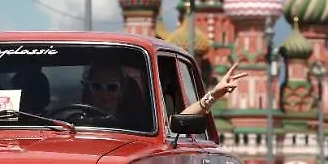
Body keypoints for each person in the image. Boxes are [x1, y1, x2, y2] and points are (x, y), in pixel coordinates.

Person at [81, 61, 246, 123]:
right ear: (88, 89)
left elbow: (178, 122)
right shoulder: (72, 123)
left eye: (112, 87)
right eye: (97, 86)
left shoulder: (139, 124)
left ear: (122, 90)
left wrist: (214, 94)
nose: (104, 93)